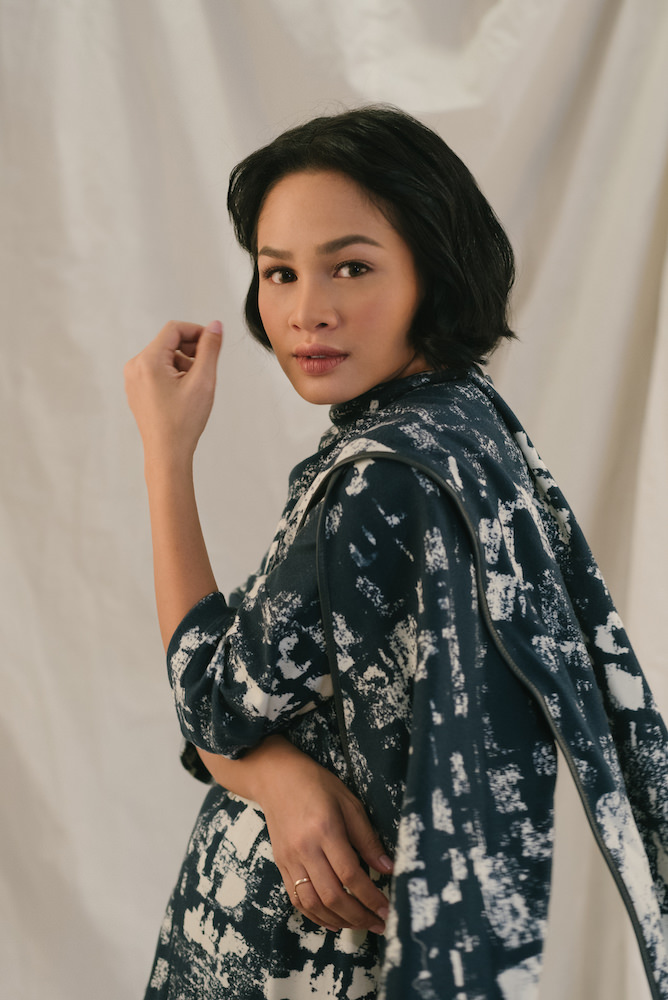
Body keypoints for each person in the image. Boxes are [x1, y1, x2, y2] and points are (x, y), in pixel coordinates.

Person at [124, 107, 668, 1000]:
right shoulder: (465, 426)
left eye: (351, 266)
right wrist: (283, 778)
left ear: (433, 271)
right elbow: (243, 719)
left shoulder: (384, 476)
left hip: (305, 954)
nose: (308, 311)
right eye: (279, 272)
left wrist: (164, 454)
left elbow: (213, 705)